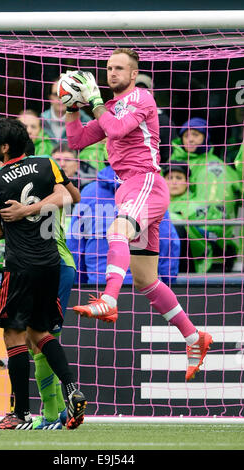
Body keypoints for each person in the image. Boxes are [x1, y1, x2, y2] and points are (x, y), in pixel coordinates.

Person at [63, 48, 213, 382]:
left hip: (146, 182)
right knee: (145, 279)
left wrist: (95, 102)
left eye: (119, 68)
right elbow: (77, 140)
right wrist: (72, 108)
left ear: (133, 74)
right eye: (108, 68)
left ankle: (108, 299)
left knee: (117, 230)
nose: (111, 73)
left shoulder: (142, 99)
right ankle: (194, 337)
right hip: (130, 189)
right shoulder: (111, 108)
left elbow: (116, 131)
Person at [0, 117, 86, 430]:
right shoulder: (46, 164)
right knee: (40, 334)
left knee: (13, 334)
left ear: (5, 146)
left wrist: (22, 212)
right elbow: (72, 197)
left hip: (21, 267)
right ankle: (71, 388)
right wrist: (39, 207)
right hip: (51, 262)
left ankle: (20, 414)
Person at [67, 164, 180, 285]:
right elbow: (168, 242)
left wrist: (82, 283)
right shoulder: (151, 192)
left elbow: (75, 245)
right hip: (142, 287)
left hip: (98, 284)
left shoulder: (89, 192)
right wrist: (169, 281)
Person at [169, 117, 241, 271]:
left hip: (211, 244)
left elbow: (214, 209)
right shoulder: (173, 161)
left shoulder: (213, 168)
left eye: (196, 134)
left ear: (205, 137)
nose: (190, 139)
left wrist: (177, 214)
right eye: (186, 135)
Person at [163, 161, 239, 273]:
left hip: (192, 258)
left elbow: (213, 235)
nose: (174, 182)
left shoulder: (198, 205)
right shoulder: (158, 203)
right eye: (170, 178)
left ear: (187, 182)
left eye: (178, 178)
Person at [135, 73, 177, 163]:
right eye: (137, 90)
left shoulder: (164, 122)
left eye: (145, 90)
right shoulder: (122, 116)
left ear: (152, 93)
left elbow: (169, 155)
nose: (141, 94)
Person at [41, 78, 91, 148]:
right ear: (50, 97)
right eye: (56, 94)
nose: (61, 98)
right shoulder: (41, 120)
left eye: (65, 94)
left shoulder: (86, 121)